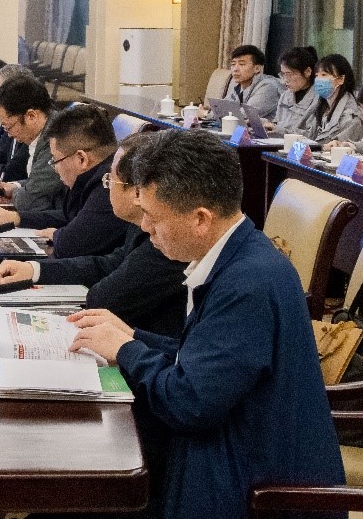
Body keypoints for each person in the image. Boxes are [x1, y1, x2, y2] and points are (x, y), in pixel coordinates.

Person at [67, 130, 345, 519]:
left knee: (87, 487)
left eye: (153, 217)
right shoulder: (240, 256)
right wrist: (132, 336)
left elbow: (189, 403)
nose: (144, 227)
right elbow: (204, 359)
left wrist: (127, 350)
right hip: (231, 454)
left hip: (253, 491)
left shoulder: (247, 284)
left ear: (200, 219)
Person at [0, 132, 187, 337]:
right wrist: (35, 270)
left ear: (137, 192)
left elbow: (105, 298)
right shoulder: (141, 225)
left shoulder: (169, 237)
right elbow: (110, 264)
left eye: (110, 180)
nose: (107, 187)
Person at [0, 104, 128, 259]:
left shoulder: (109, 185)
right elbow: (69, 216)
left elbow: (70, 244)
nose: (55, 169)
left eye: (55, 160)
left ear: (81, 159)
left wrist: (58, 235)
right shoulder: (93, 175)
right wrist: (15, 218)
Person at [0, 76, 64, 224]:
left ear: (31, 116)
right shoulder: (43, 132)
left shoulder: (56, 139)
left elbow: (29, 201)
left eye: (8, 127)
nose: (9, 135)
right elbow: (38, 183)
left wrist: (15, 193)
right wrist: (14, 187)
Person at [299, 53, 363, 145]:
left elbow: (336, 144)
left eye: (324, 75)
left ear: (341, 79)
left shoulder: (352, 115)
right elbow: (309, 135)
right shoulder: (319, 106)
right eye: (317, 75)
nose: (319, 80)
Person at [265, 45, 320, 134]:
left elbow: (312, 135)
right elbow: (278, 122)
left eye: (289, 74)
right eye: (283, 74)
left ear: (307, 72)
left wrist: (279, 130)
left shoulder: (318, 99)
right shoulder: (285, 95)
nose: (285, 80)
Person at [221, 44, 282, 120]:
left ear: (257, 68)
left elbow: (245, 115)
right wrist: (210, 111)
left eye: (242, 64)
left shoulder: (268, 87)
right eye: (233, 64)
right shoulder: (239, 87)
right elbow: (221, 107)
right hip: (241, 127)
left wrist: (214, 113)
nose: (235, 69)